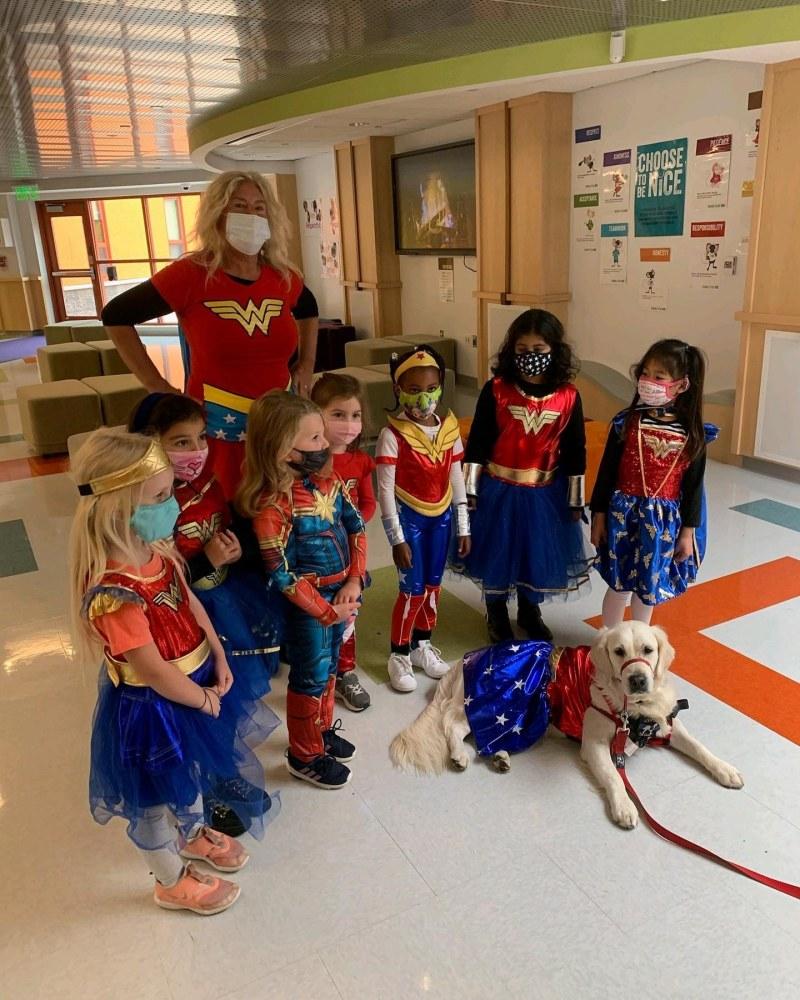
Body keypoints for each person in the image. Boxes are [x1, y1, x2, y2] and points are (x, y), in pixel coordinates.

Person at [70, 429, 277, 914]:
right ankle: (168, 878)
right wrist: (202, 700)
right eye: (160, 497)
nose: (174, 505)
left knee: (196, 772)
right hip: (155, 708)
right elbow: (153, 668)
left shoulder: (158, 554)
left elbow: (192, 608)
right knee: (154, 799)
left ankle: (193, 833)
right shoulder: (113, 591)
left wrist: (219, 656)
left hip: (195, 683)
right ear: (118, 509)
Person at [101, 170, 320, 496]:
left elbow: (308, 308)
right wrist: (157, 386)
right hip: (216, 427)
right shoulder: (191, 274)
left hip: (278, 426)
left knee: (278, 517)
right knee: (224, 521)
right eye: (240, 206)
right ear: (218, 215)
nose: (251, 215)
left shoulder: (281, 276)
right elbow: (116, 315)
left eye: (259, 208)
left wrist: (306, 364)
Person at [239, 391, 366, 789]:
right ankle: (305, 754)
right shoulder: (272, 506)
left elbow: (357, 527)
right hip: (310, 607)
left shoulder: (329, 483)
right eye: (314, 440)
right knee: (310, 677)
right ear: (281, 449)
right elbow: (282, 575)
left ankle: (321, 731)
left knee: (328, 671)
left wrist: (354, 580)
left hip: (340, 594)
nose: (326, 445)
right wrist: (329, 612)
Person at [456, 309, 592, 644]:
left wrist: (575, 499)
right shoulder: (497, 390)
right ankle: (497, 611)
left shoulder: (568, 396)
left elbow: (576, 449)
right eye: (522, 350)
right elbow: (478, 441)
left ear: (555, 350)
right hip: (497, 489)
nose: (530, 357)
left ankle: (530, 610)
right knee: (497, 553)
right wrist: (469, 490)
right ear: (511, 351)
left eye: (539, 350)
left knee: (536, 555)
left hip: (544, 493)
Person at [590, 339, 713, 627]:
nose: (648, 382)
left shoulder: (693, 434)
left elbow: (694, 487)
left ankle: (639, 642)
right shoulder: (627, 423)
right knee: (619, 584)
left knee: (648, 589)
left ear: (681, 385)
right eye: (645, 373)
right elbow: (606, 473)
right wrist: (598, 515)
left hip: (662, 522)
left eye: (659, 377)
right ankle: (610, 639)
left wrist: (687, 533)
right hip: (623, 515)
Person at [376, 346, 470, 693]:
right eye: (413, 390)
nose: (423, 397)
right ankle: (398, 653)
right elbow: (385, 491)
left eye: (431, 388)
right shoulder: (393, 435)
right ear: (398, 390)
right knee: (411, 591)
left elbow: (456, 477)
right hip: (410, 520)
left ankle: (421, 645)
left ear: (442, 386)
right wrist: (397, 538)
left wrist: (463, 525)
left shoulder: (449, 428)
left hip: (442, 519)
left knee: (432, 589)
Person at [310, 373, 376, 712]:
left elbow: (368, 503)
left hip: (350, 553)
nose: (349, 425)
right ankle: (319, 670)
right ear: (315, 413)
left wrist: (352, 526)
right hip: (313, 556)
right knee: (316, 615)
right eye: (338, 414)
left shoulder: (361, 460)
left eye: (355, 415)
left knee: (348, 614)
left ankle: (346, 672)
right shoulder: (307, 460)